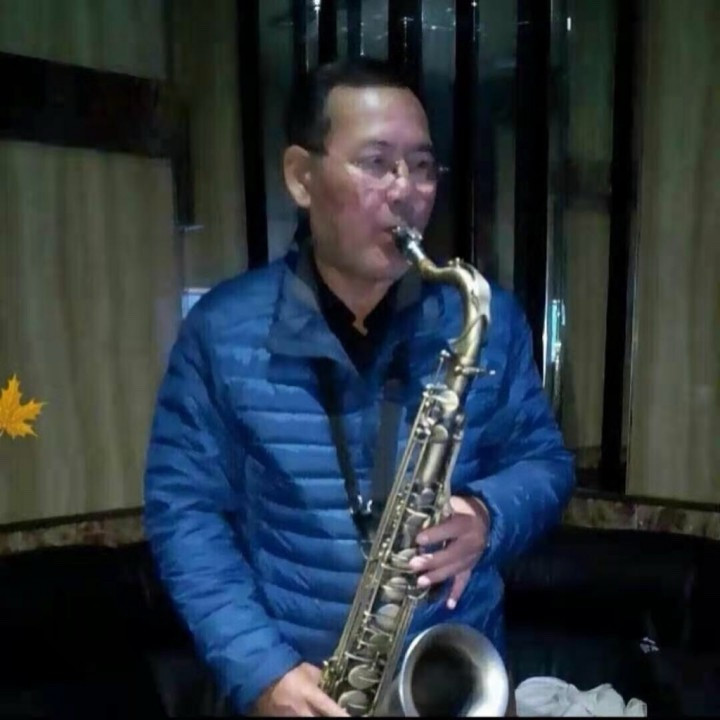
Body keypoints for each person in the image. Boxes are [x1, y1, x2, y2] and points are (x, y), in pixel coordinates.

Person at [143, 57, 575, 717]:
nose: (407, 192)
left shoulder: (486, 320)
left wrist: (488, 516)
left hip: (455, 686)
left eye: (422, 166)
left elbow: (545, 462)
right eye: (377, 163)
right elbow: (185, 513)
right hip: (304, 691)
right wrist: (260, 671)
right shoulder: (220, 332)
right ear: (301, 176)